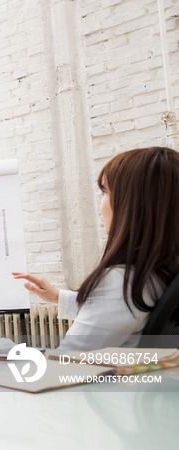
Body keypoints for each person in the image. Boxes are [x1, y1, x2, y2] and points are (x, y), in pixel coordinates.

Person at [13, 147, 179, 350]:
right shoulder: (157, 270)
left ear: (131, 204)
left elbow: (67, 360)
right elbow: (122, 311)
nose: (102, 205)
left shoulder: (122, 280)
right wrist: (58, 297)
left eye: (106, 193)